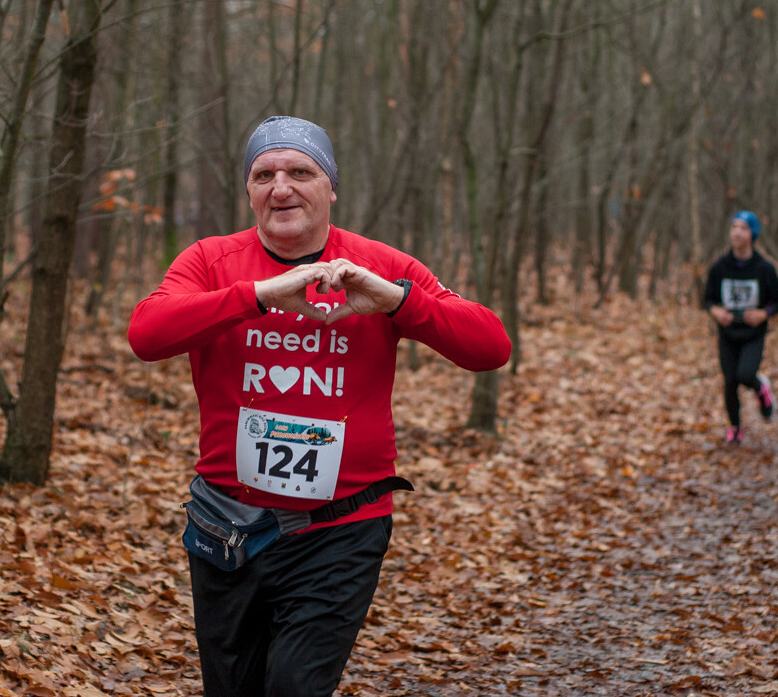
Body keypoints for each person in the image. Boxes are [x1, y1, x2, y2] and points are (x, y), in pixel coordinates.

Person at [128, 115, 511, 697]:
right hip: (227, 527)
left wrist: (393, 302)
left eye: (300, 172)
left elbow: (489, 346)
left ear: (330, 187)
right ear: (250, 192)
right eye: (264, 175)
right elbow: (147, 334)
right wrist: (258, 297)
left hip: (341, 529)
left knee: (295, 686)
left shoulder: (378, 266)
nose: (281, 188)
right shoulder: (212, 262)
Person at [703, 210, 778, 443]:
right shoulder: (720, 267)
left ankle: (761, 388)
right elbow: (708, 299)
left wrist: (763, 314)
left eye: (743, 228)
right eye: (733, 227)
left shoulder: (764, 269)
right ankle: (735, 427)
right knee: (730, 381)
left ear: (753, 234)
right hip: (728, 332)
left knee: (745, 374)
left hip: (753, 333)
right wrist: (716, 311)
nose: (737, 232)